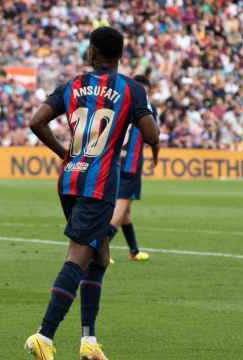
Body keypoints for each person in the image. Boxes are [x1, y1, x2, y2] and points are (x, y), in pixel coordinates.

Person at [24, 27, 160, 360]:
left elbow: (37, 121)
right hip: (99, 186)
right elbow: (151, 135)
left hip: (70, 180)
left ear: (91, 53)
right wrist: (146, 111)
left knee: (99, 257)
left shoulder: (72, 85)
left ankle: (89, 341)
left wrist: (62, 153)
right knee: (80, 255)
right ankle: (44, 335)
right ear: (120, 55)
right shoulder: (131, 89)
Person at [109, 75, 157, 262]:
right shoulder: (147, 107)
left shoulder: (120, 103)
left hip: (115, 161)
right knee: (120, 209)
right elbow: (153, 136)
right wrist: (155, 155)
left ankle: (134, 251)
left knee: (125, 212)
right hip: (131, 165)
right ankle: (98, 248)